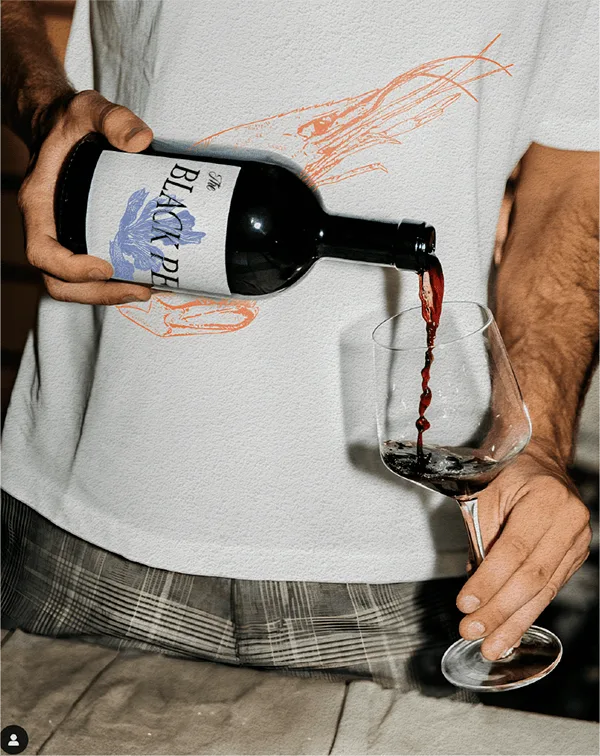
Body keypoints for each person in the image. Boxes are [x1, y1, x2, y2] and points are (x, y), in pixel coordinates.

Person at [1, 0, 597, 696]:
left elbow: (576, 180)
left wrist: (538, 446)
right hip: (86, 519)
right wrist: (44, 106)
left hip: (417, 572)